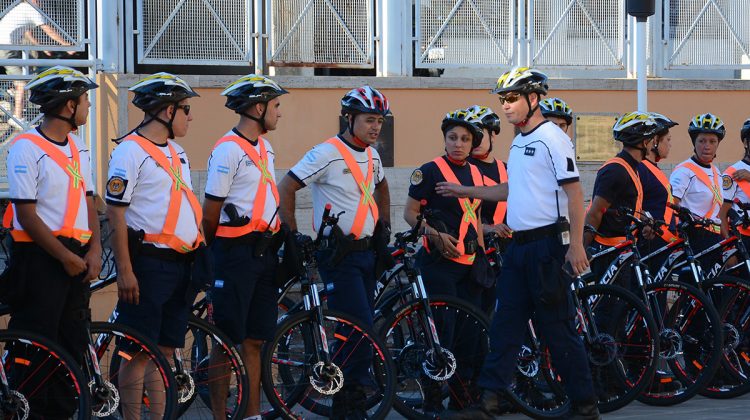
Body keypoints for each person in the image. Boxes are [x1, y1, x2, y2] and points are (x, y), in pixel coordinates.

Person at [440, 67, 598, 420]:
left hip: (548, 248)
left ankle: (586, 406)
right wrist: (466, 190)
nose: (506, 106)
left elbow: (575, 193)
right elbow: (513, 190)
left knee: (557, 330)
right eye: (502, 100)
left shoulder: (552, 138)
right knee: (505, 326)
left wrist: (576, 245)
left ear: (533, 98)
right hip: (520, 248)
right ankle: (489, 403)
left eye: (511, 99)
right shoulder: (520, 139)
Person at [278, 85, 392, 419]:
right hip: (338, 257)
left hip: (367, 254)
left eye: (380, 122)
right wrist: (293, 233)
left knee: (358, 328)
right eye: (369, 120)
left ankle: (350, 393)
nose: (375, 127)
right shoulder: (327, 152)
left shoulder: (372, 153)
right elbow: (287, 185)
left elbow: (382, 185)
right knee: (358, 327)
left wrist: (384, 225)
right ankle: (347, 401)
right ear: (348, 118)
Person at [1, 65, 100, 416]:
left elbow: (89, 201)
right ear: (69, 105)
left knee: (70, 340)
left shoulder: (80, 147)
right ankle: (28, 410)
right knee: (37, 341)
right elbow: (27, 214)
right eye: (85, 99)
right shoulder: (26, 147)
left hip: (75, 254)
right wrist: (63, 256)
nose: (88, 106)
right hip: (40, 256)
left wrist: (95, 249)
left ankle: (62, 411)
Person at [105, 72, 201, 418]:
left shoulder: (178, 152)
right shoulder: (130, 151)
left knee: (163, 352)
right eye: (185, 108)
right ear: (165, 111)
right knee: (137, 351)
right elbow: (116, 215)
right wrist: (125, 270)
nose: (190, 116)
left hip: (181, 264)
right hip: (148, 264)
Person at [202, 74, 287, 420]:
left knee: (254, 340)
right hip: (233, 253)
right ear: (258, 107)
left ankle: (251, 414)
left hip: (263, 253)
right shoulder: (227, 149)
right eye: (276, 105)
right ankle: (220, 415)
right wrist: (213, 256)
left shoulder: (264, 146)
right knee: (225, 340)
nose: (279, 113)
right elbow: (210, 212)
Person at [404, 107, 487, 414]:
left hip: (469, 264)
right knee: (441, 333)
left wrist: (482, 256)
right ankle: (432, 397)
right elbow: (409, 213)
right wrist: (435, 236)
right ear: (444, 139)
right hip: (438, 263)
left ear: (473, 143)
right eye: (452, 137)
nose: (458, 143)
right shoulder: (429, 170)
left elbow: (475, 215)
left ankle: (461, 396)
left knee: (469, 334)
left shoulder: (476, 172)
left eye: (465, 139)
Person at [584, 111, 661, 284]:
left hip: (622, 249)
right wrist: (582, 249)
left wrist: (644, 220)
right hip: (608, 250)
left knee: (623, 307)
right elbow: (595, 212)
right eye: (652, 140)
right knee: (609, 309)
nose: (653, 145)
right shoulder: (616, 170)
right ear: (644, 141)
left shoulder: (631, 167)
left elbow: (625, 206)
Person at [464, 105, 510, 315]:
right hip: (477, 255)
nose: (474, 140)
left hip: (507, 253)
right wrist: (488, 229)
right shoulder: (464, 170)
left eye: (479, 134)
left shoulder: (507, 168)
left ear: (493, 135)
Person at [0, 0, 76, 127]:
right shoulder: (31, 8)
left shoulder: (22, 8)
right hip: (6, 49)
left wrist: (40, 46)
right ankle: (17, 116)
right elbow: (47, 28)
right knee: (22, 81)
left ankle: (14, 94)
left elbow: (27, 31)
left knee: (30, 70)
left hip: (11, 47)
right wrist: (66, 45)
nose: (42, 2)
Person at [669, 113, 726, 272]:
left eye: (712, 141)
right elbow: (671, 205)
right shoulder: (684, 171)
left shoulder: (716, 172)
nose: (707, 146)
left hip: (714, 239)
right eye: (702, 141)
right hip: (695, 237)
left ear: (717, 144)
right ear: (694, 142)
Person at [637, 112, 679, 266]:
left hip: (663, 242)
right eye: (667, 140)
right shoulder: (642, 169)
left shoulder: (653, 168)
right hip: (650, 242)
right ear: (655, 141)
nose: (670, 144)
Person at [719, 118, 750, 247]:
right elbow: (722, 214)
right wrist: (728, 248)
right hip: (743, 237)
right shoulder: (733, 172)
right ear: (745, 143)